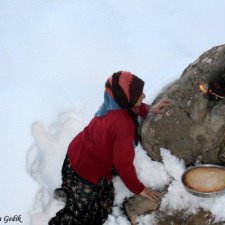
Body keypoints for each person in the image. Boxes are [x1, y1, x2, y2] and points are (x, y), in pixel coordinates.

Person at [49, 71, 171, 225]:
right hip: (85, 172)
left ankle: (71, 192)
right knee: (89, 217)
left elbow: (127, 105)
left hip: (74, 156)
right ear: (127, 99)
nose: (144, 96)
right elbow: (123, 164)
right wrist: (139, 189)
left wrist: (147, 109)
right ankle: (74, 198)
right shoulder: (123, 125)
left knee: (95, 195)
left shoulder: (112, 100)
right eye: (139, 94)